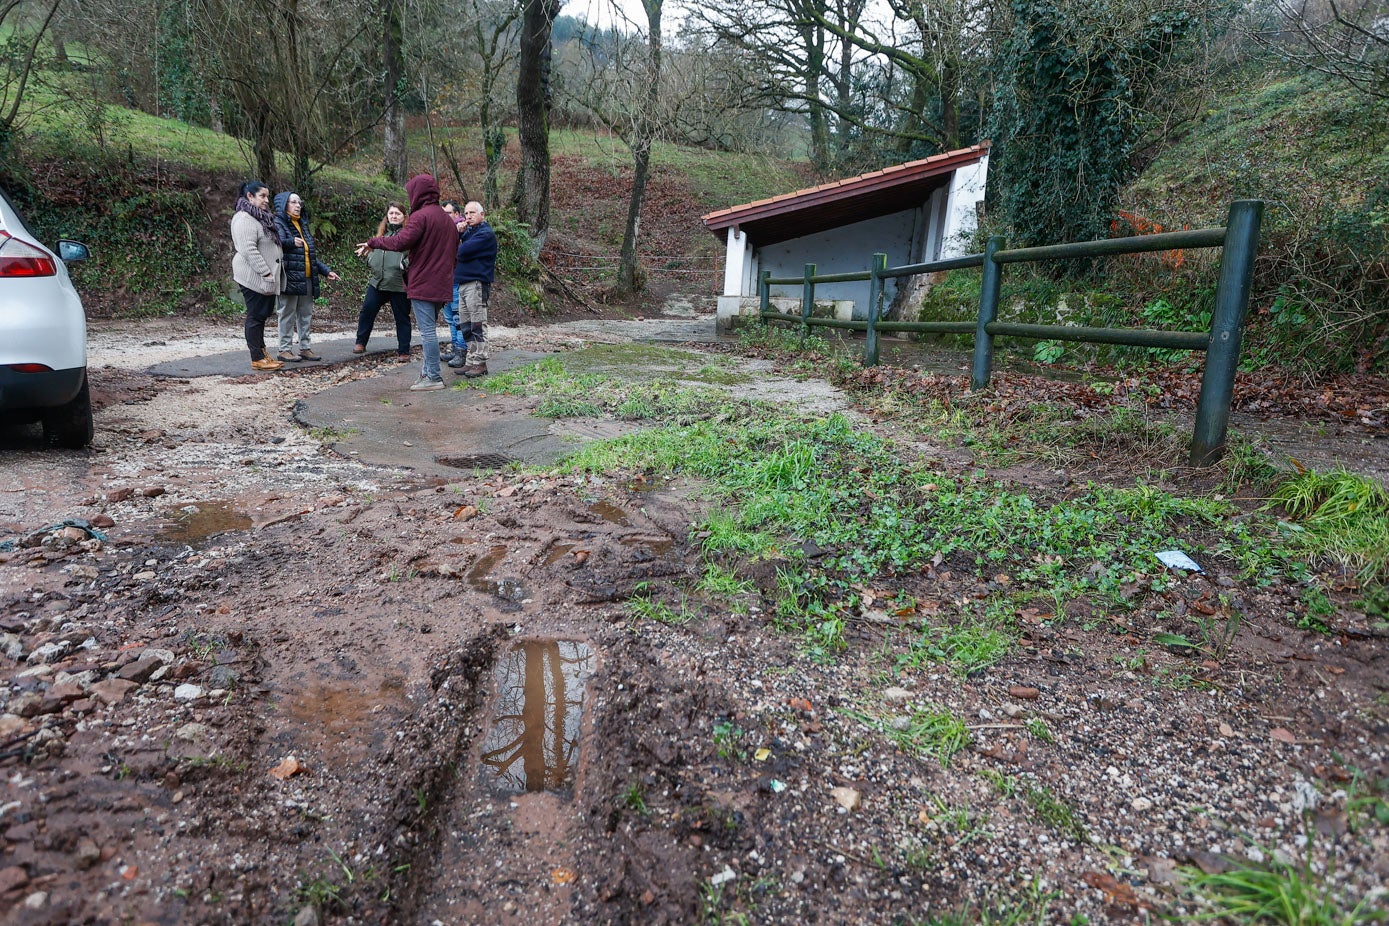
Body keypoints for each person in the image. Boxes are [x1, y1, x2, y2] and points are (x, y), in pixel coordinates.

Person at [355, 174, 456, 391]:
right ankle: (426, 373)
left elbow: (401, 241)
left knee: (428, 332)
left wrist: (374, 242)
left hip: (423, 282)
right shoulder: (446, 219)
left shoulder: (421, 217)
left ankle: (434, 378)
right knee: (430, 329)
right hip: (441, 283)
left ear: (418, 192)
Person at [273, 192, 339, 362]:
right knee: (287, 313)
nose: (297, 206)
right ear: (283, 205)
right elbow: (276, 242)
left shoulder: (302, 225)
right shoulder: (278, 222)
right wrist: (290, 242)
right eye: (293, 202)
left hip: (307, 277)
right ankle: (284, 349)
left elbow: (310, 255)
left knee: (305, 314)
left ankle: (305, 348)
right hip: (290, 276)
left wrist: (325, 271)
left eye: (299, 203)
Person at [230, 180, 284, 372]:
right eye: (262, 196)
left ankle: (262, 355)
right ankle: (257, 358)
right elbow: (248, 250)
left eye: (267, 196)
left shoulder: (258, 217)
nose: (266, 200)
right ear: (249, 196)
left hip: (263, 277)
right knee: (255, 317)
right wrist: (266, 272)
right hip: (254, 277)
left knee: (261, 316)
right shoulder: (244, 219)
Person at [353, 202, 413, 362]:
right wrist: (369, 259)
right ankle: (360, 342)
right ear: (387, 216)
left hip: (399, 284)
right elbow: (372, 253)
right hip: (378, 282)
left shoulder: (407, 236)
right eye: (391, 213)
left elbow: (414, 257)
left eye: (397, 214)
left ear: (404, 217)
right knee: (367, 311)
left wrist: (404, 265)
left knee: (402, 318)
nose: (394, 216)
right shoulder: (381, 236)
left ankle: (404, 351)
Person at [450, 201, 498, 378]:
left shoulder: (485, 234)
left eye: (472, 213)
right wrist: (459, 233)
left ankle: (480, 362)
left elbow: (461, 252)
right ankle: (470, 360)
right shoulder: (469, 232)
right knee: (466, 326)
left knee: (477, 324)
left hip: (477, 284)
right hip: (463, 283)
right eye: (466, 213)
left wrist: (459, 236)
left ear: (482, 215)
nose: (468, 216)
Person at [439, 200, 465, 361]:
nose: (444, 217)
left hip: (457, 280)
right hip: (444, 281)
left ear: (456, 214)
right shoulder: (443, 231)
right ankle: (455, 348)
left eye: (447, 213)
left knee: (458, 318)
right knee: (450, 319)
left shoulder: (462, 229)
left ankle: (462, 350)